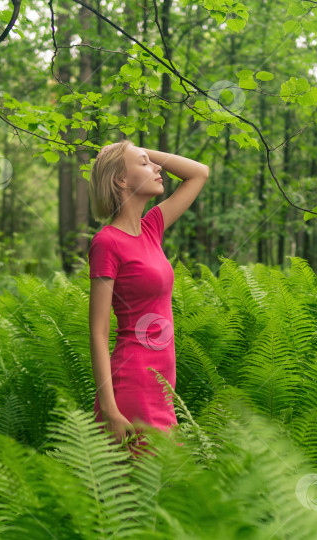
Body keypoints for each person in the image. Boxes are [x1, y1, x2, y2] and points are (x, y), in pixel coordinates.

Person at [87, 140, 209, 457]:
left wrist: (136, 151)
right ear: (120, 180)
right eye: (144, 164)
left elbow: (199, 173)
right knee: (143, 497)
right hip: (132, 387)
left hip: (163, 389)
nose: (157, 168)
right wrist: (110, 408)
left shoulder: (151, 228)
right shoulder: (107, 242)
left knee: (164, 497)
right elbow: (98, 332)